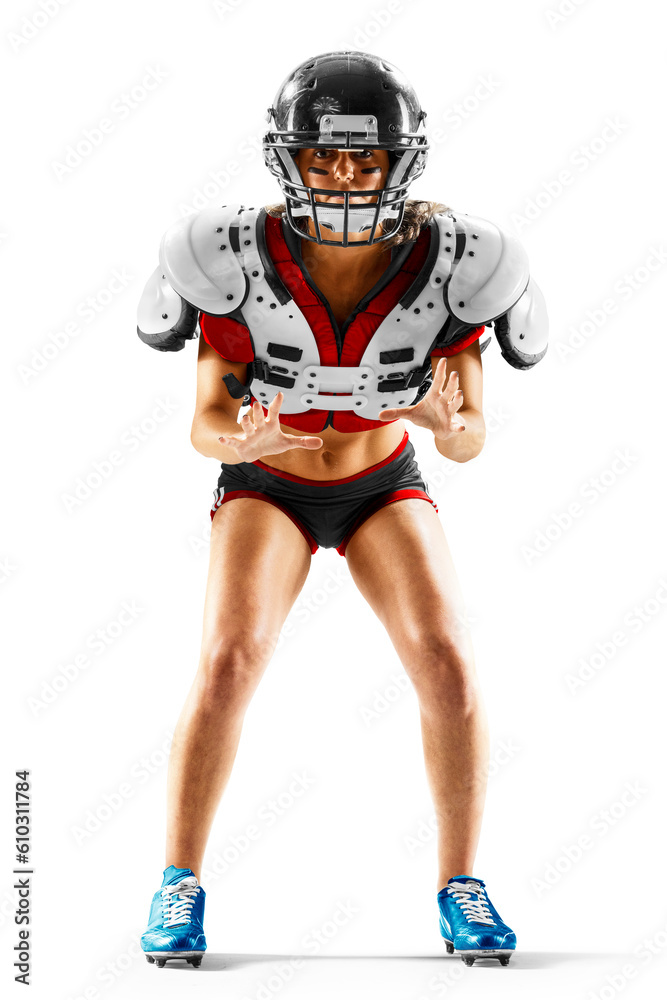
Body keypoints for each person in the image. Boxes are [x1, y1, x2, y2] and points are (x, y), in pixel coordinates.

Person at [136, 50, 548, 970]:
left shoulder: (455, 261)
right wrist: (241, 443)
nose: (345, 178)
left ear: (400, 161)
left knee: (446, 662)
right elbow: (206, 421)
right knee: (228, 661)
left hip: (380, 481)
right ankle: (178, 880)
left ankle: (459, 884)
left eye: (364, 160)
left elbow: (469, 436)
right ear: (291, 159)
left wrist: (439, 416)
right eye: (325, 159)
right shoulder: (232, 256)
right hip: (269, 484)